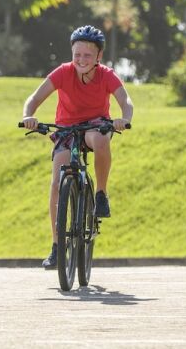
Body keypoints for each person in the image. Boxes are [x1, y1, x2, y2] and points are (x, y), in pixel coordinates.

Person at [20, 25, 133, 269]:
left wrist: (124, 118)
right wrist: (28, 115)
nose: (81, 59)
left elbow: (125, 100)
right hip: (66, 128)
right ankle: (57, 246)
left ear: (99, 56)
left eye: (87, 55)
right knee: (56, 182)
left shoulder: (107, 75)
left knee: (101, 139)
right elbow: (34, 98)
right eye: (77, 54)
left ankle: (100, 193)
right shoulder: (63, 72)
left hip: (95, 125)